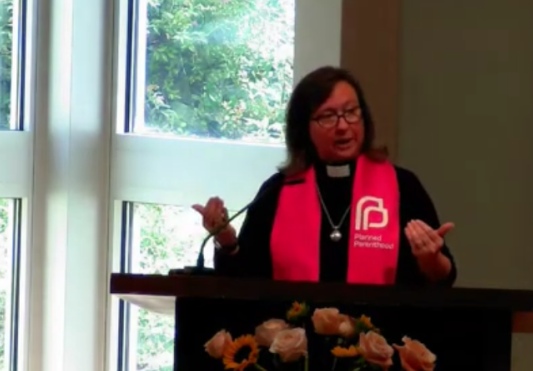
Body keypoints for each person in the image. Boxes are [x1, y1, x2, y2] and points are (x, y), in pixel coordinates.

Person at [192, 66, 456, 286]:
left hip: (382, 343)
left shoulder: (403, 187)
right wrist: (226, 241)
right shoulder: (277, 192)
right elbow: (245, 283)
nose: (343, 126)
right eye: (328, 117)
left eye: (351, 112)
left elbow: (444, 277)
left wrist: (430, 259)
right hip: (294, 344)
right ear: (304, 127)